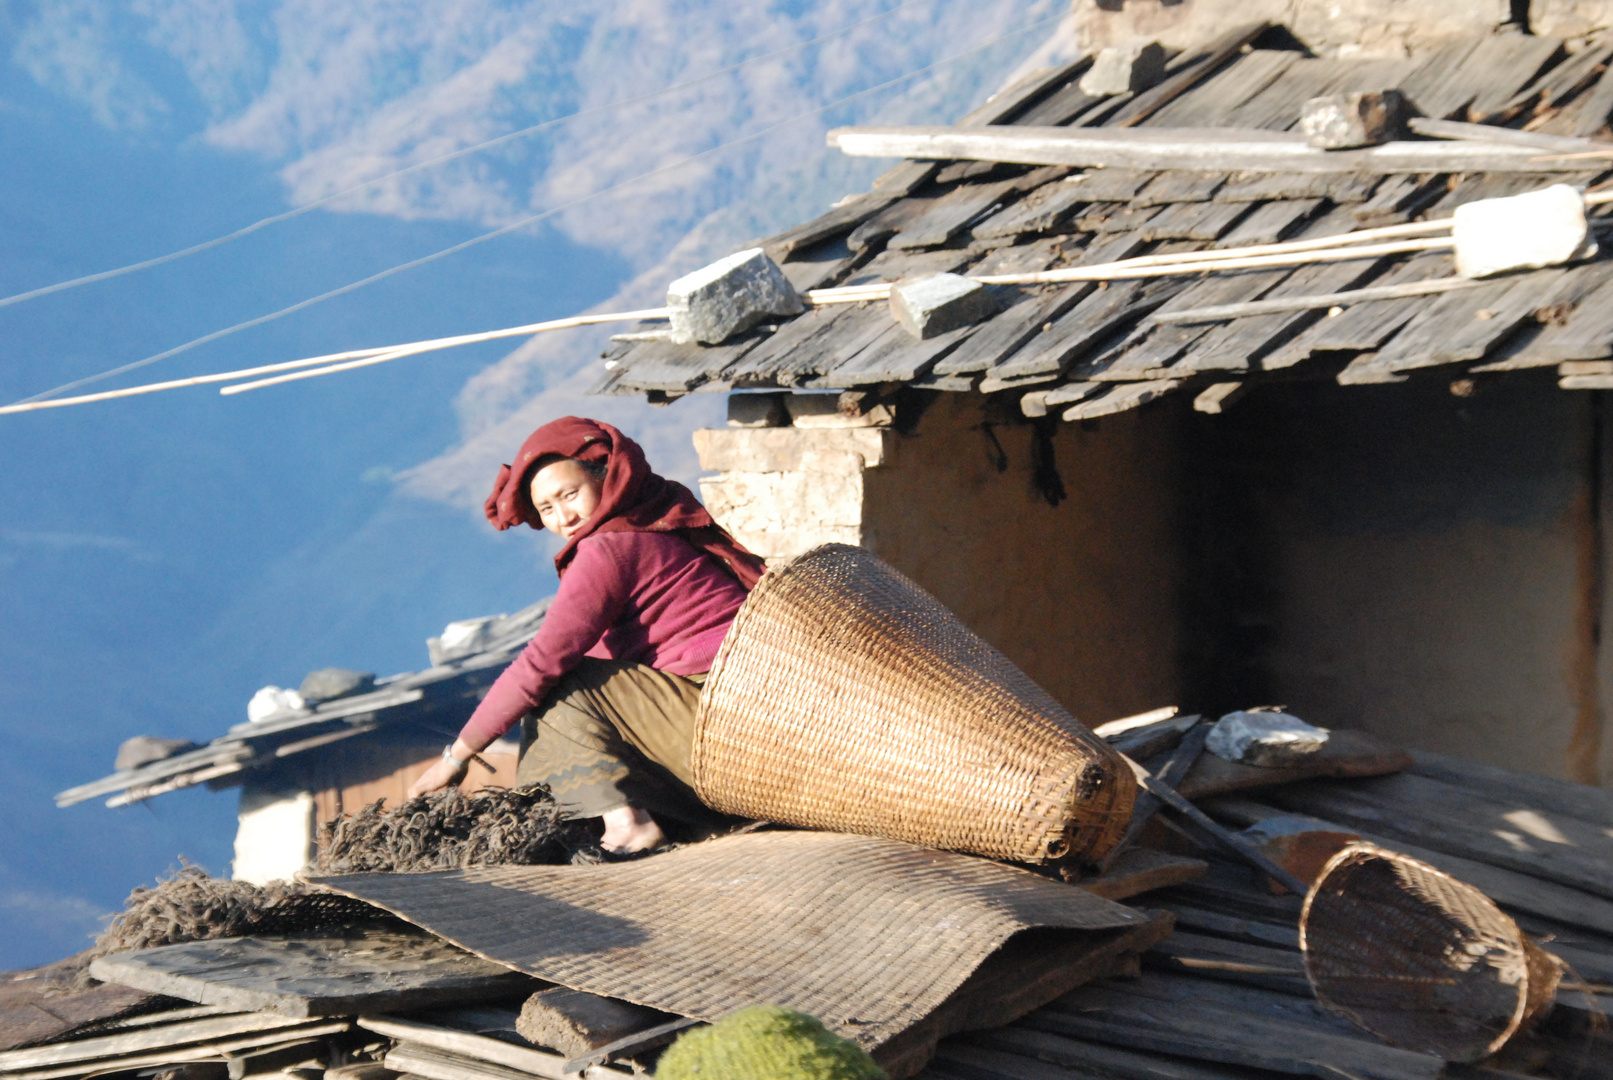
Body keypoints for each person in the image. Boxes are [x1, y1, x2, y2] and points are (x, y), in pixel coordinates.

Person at [406, 417, 766, 854]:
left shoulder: (608, 549)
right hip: (741, 697)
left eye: (570, 495)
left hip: (719, 708)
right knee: (562, 686)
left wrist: (456, 758)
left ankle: (625, 823)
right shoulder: (649, 520)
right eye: (547, 509)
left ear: (605, 478)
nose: (564, 517)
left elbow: (543, 662)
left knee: (563, 684)